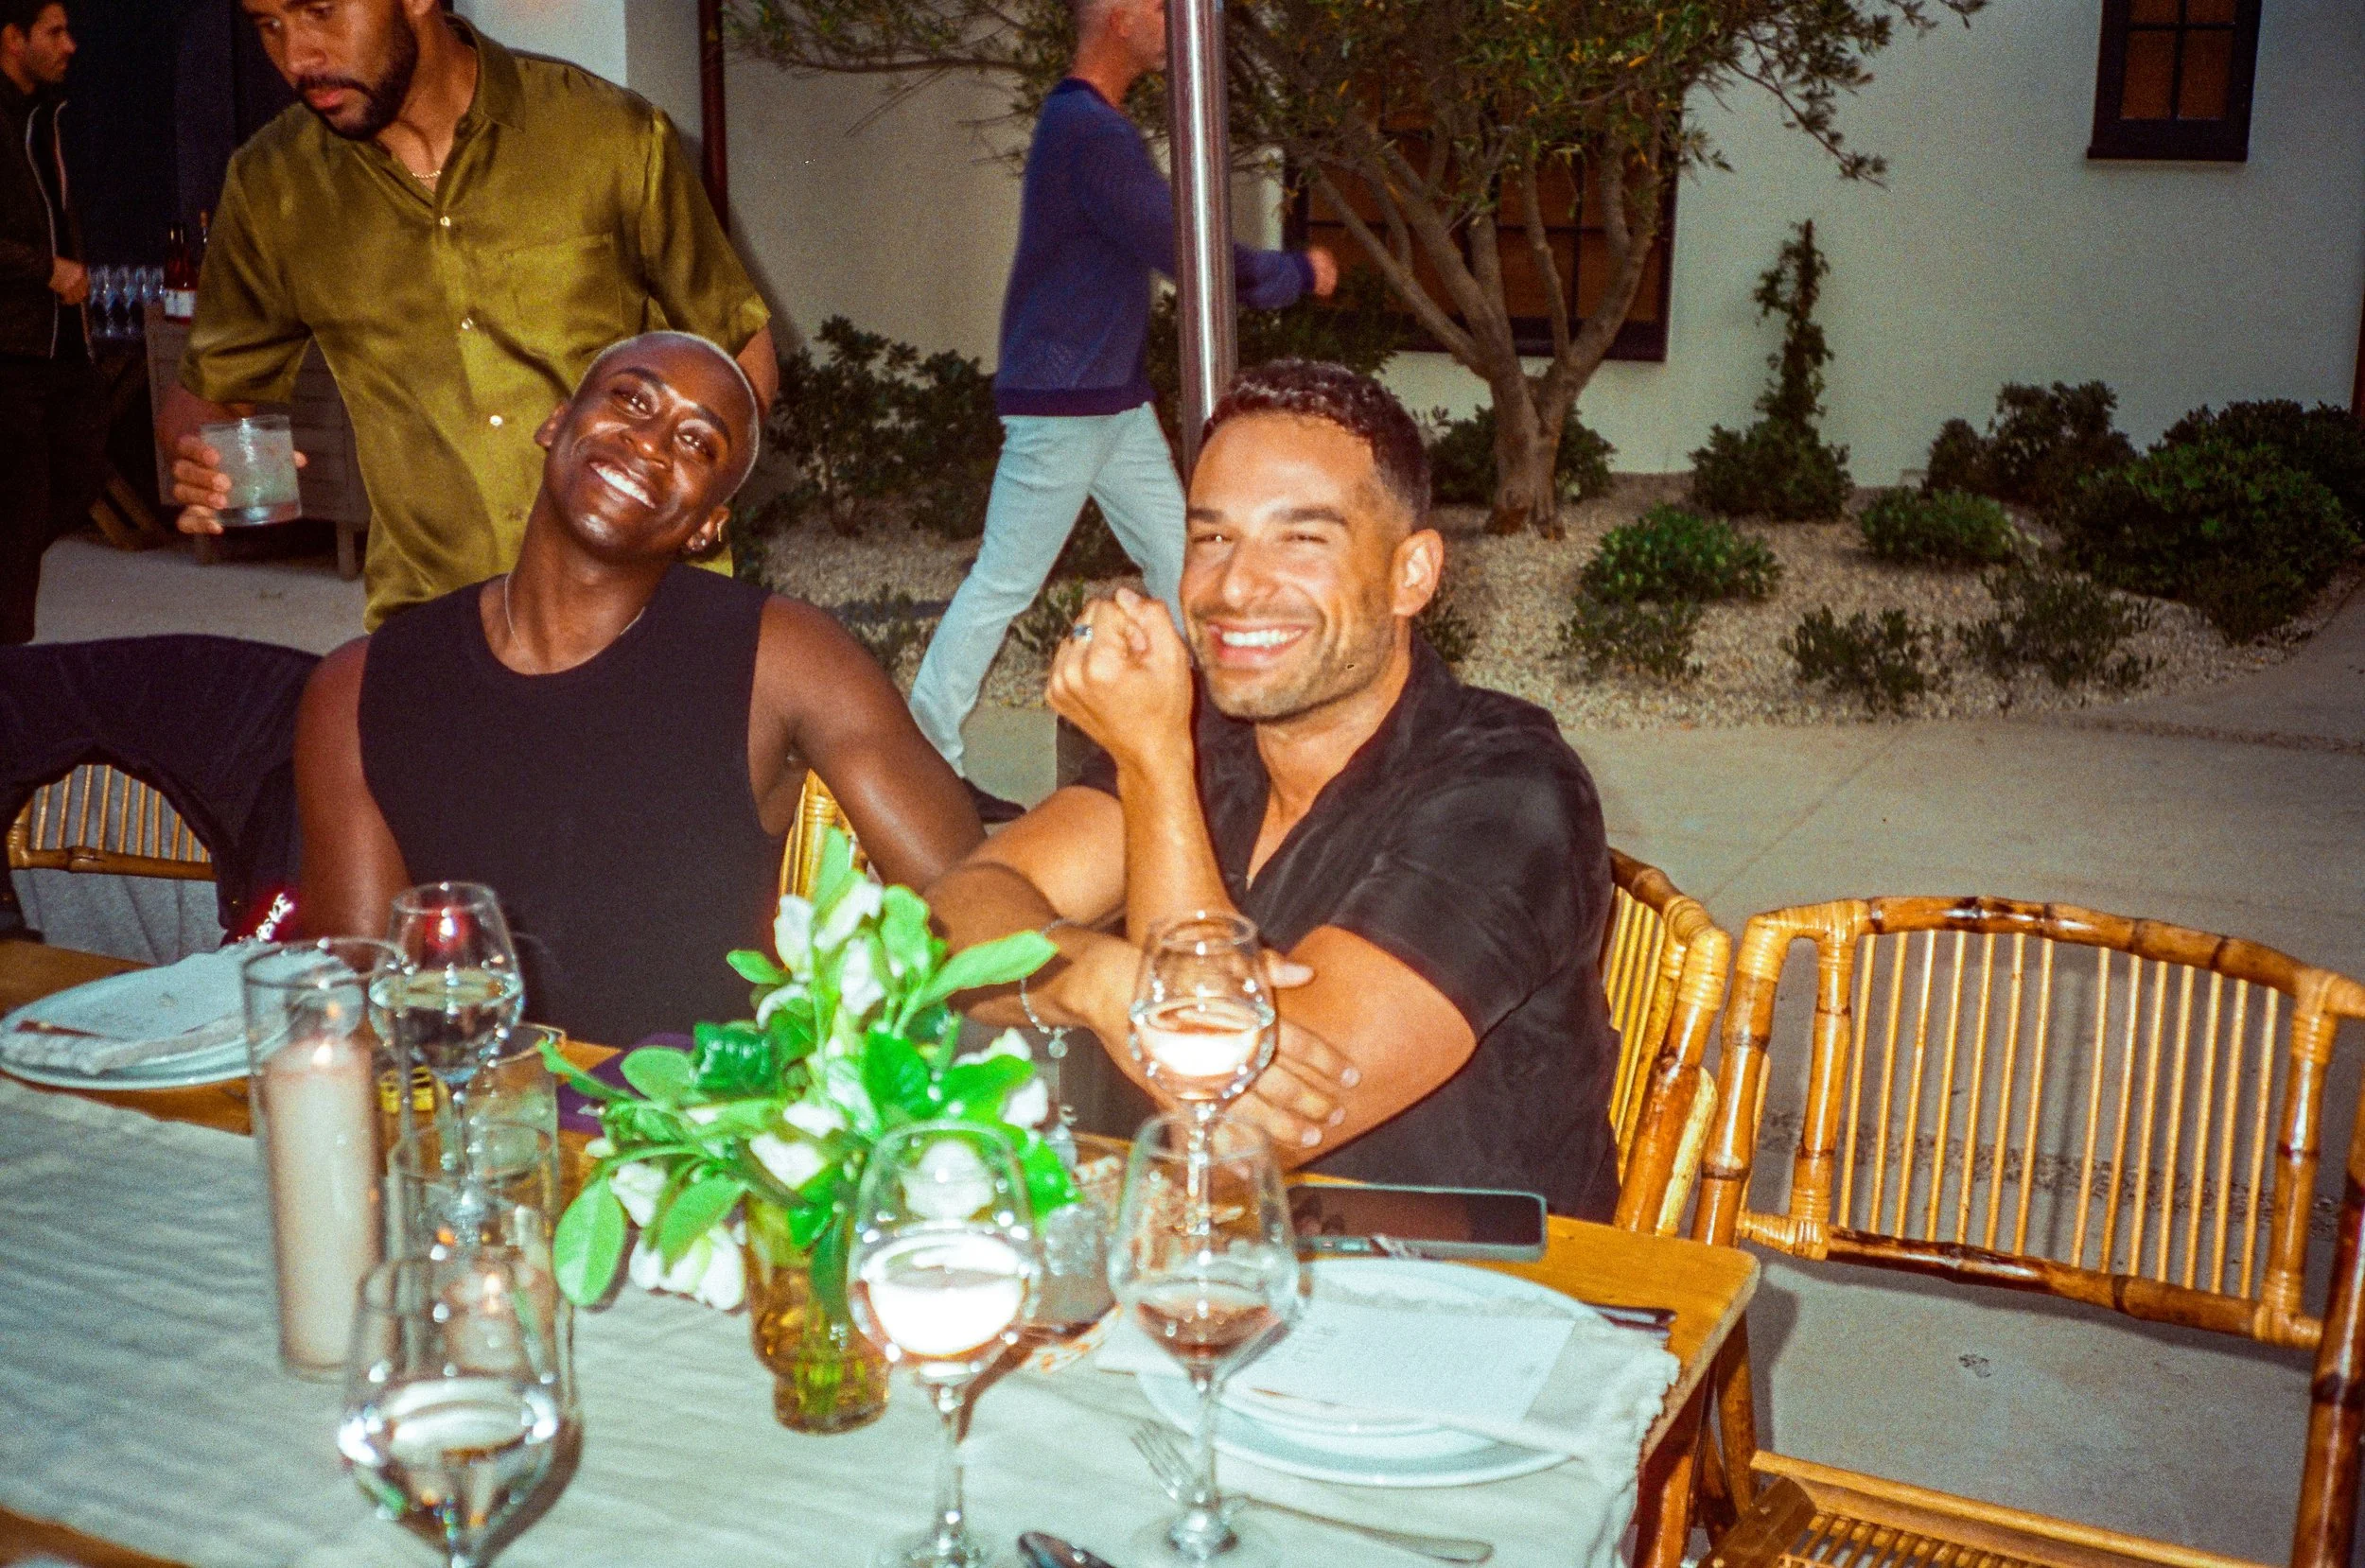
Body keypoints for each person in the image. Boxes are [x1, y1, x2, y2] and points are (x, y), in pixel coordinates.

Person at [926, 360, 1621, 1217]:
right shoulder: (1207, 741)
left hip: (1472, 1301)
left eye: (1303, 538)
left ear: (1413, 573)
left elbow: (1220, 1131)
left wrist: (1150, 764)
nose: (1234, 587)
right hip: (1193, 1269)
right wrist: (1103, 983)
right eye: (1211, 537)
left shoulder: (1513, 796)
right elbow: (946, 921)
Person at [295, 332, 982, 1046]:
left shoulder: (784, 660)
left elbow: (975, 904)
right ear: (557, 422)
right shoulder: (360, 688)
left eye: (696, 444)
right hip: (477, 1129)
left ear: (709, 526)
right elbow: (360, 1007)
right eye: (631, 399)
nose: (649, 442)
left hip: (696, 1138)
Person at [163, 0, 777, 632]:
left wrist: (698, 496)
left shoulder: (608, 135)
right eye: (268, 26)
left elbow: (737, 346)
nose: (296, 58)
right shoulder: (273, 186)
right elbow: (207, 395)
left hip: (649, 614)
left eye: (320, 11)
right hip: (436, 628)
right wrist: (200, 459)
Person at [904, 0, 1338, 791]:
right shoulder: (1092, 135)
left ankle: (1211, 736)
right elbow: (1189, 247)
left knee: (1179, 558)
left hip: (1106, 397)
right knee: (1006, 580)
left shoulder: (1084, 125)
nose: (1175, 22)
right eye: (1157, 8)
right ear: (1116, 18)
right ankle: (924, 756)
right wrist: (1297, 275)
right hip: (1070, 403)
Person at [0, 0, 100, 647]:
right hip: (11, 346)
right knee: (18, 509)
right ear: (13, 38)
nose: (70, 45)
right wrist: (45, 269)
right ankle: (13, 657)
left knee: (80, 472)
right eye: (53, 32)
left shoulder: (44, 115)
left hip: (60, 342)